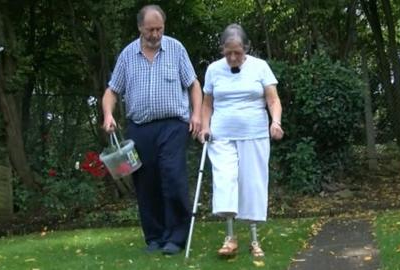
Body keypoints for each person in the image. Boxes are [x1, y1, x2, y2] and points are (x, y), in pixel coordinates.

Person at [102, 4, 202, 255]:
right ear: (140, 28)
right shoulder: (127, 55)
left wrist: (197, 114)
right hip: (140, 130)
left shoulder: (176, 49)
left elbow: (193, 85)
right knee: (146, 183)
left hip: (173, 126)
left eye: (159, 29)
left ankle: (176, 237)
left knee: (173, 178)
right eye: (150, 30)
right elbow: (112, 91)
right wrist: (108, 115)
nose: (156, 34)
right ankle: (155, 238)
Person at [198, 24, 284, 259]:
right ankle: (230, 238)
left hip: (254, 134)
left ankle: (255, 240)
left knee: (252, 183)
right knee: (225, 180)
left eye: (237, 52)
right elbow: (207, 104)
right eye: (228, 53)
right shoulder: (214, 70)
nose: (233, 57)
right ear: (222, 50)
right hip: (222, 134)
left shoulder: (260, 67)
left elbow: (273, 100)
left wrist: (275, 122)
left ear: (246, 48)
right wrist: (204, 127)